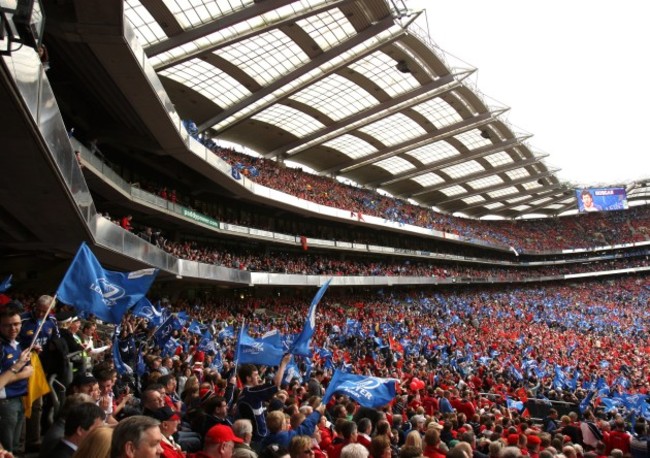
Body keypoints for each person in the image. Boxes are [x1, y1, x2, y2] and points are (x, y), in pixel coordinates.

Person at [0, 302, 33, 453]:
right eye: (7, 325)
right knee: (7, 448)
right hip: (5, 403)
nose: (13, 328)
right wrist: (22, 373)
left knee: (15, 444)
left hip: (18, 399)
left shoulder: (16, 344)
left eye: (16, 324)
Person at [236, 354, 291, 444]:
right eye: (256, 375)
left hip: (258, 437)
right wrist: (284, 364)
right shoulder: (251, 393)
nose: (258, 377)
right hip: (258, 439)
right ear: (248, 378)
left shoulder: (247, 392)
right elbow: (276, 384)